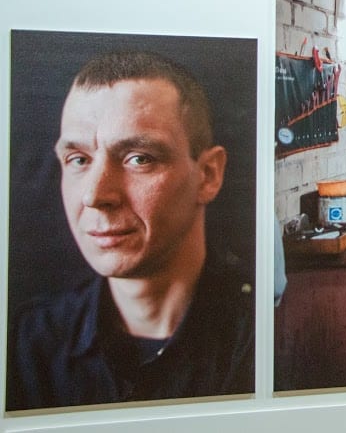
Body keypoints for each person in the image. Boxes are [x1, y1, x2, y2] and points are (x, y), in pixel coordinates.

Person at [6, 50, 254, 410]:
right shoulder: (28, 345)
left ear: (208, 175)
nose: (94, 195)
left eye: (139, 158)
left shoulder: (265, 336)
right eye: (79, 160)